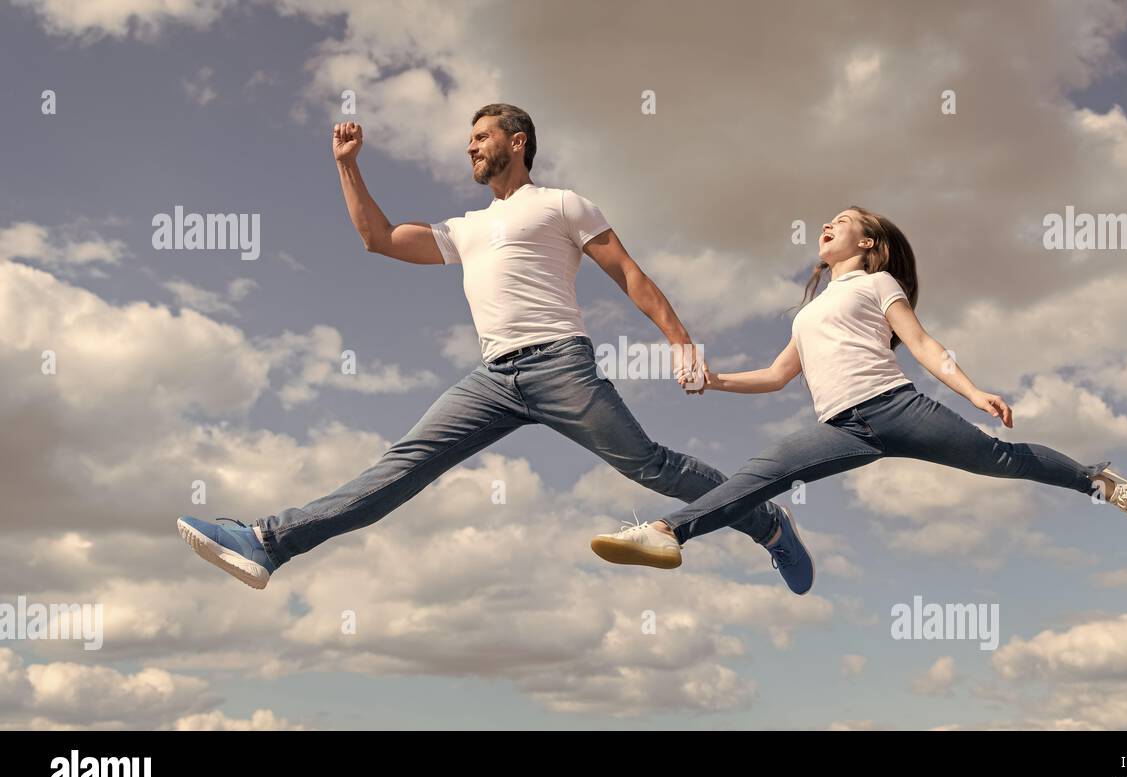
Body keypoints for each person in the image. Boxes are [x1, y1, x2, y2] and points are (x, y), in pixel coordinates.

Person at [176, 103, 811, 592]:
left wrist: (680, 343)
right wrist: (347, 165)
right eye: (469, 140)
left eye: (481, 137)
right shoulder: (466, 227)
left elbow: (630, 275)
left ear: (517, 141)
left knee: (648, 465)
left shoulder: (562, 204)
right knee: (397, 471)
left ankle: (768, 523)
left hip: (560, 364)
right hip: (492, 380)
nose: (471, 147)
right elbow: (379, 238)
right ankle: (269, 542)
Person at [590, 207, 1127, 592]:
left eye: (838, 223)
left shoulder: (876, 284)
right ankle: (667, 533)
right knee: (759, 475)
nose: (826, 227)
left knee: (1002, 460)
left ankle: (1101, 481)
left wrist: (973, 390)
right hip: (841, 428)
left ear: (867, 243)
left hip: (897, 407)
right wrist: (712, 380)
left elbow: (921, 344)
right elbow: (775, 376)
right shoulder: (807, 312)